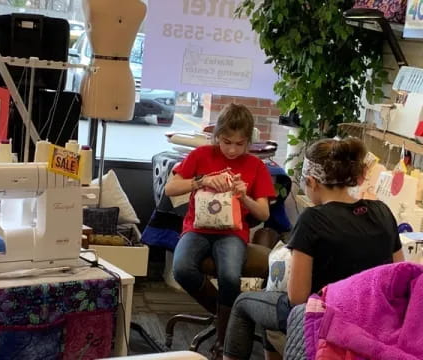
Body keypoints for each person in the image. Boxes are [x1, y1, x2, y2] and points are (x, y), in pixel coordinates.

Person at [223, 138, 405, 360]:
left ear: (312, 182)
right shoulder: (382, 211)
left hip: (326, 319)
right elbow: (400, 276)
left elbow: (297, 298)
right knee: (267, 311)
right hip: (375, 320)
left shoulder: (313, 219)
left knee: (244, 303)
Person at [165, 103, 276, 358]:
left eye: (240, 143)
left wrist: (244, 196)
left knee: (229, 277)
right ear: (217, 136)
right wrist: (201, 181)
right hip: (196, 228)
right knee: (182, 269)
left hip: (233, 233)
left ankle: (224, 344)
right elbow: (171, 189)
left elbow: (263, 214)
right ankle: (228, 316)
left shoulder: (256, 166)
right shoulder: (202, 154)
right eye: (227, 142)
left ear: (249, 141)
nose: (233, 149)